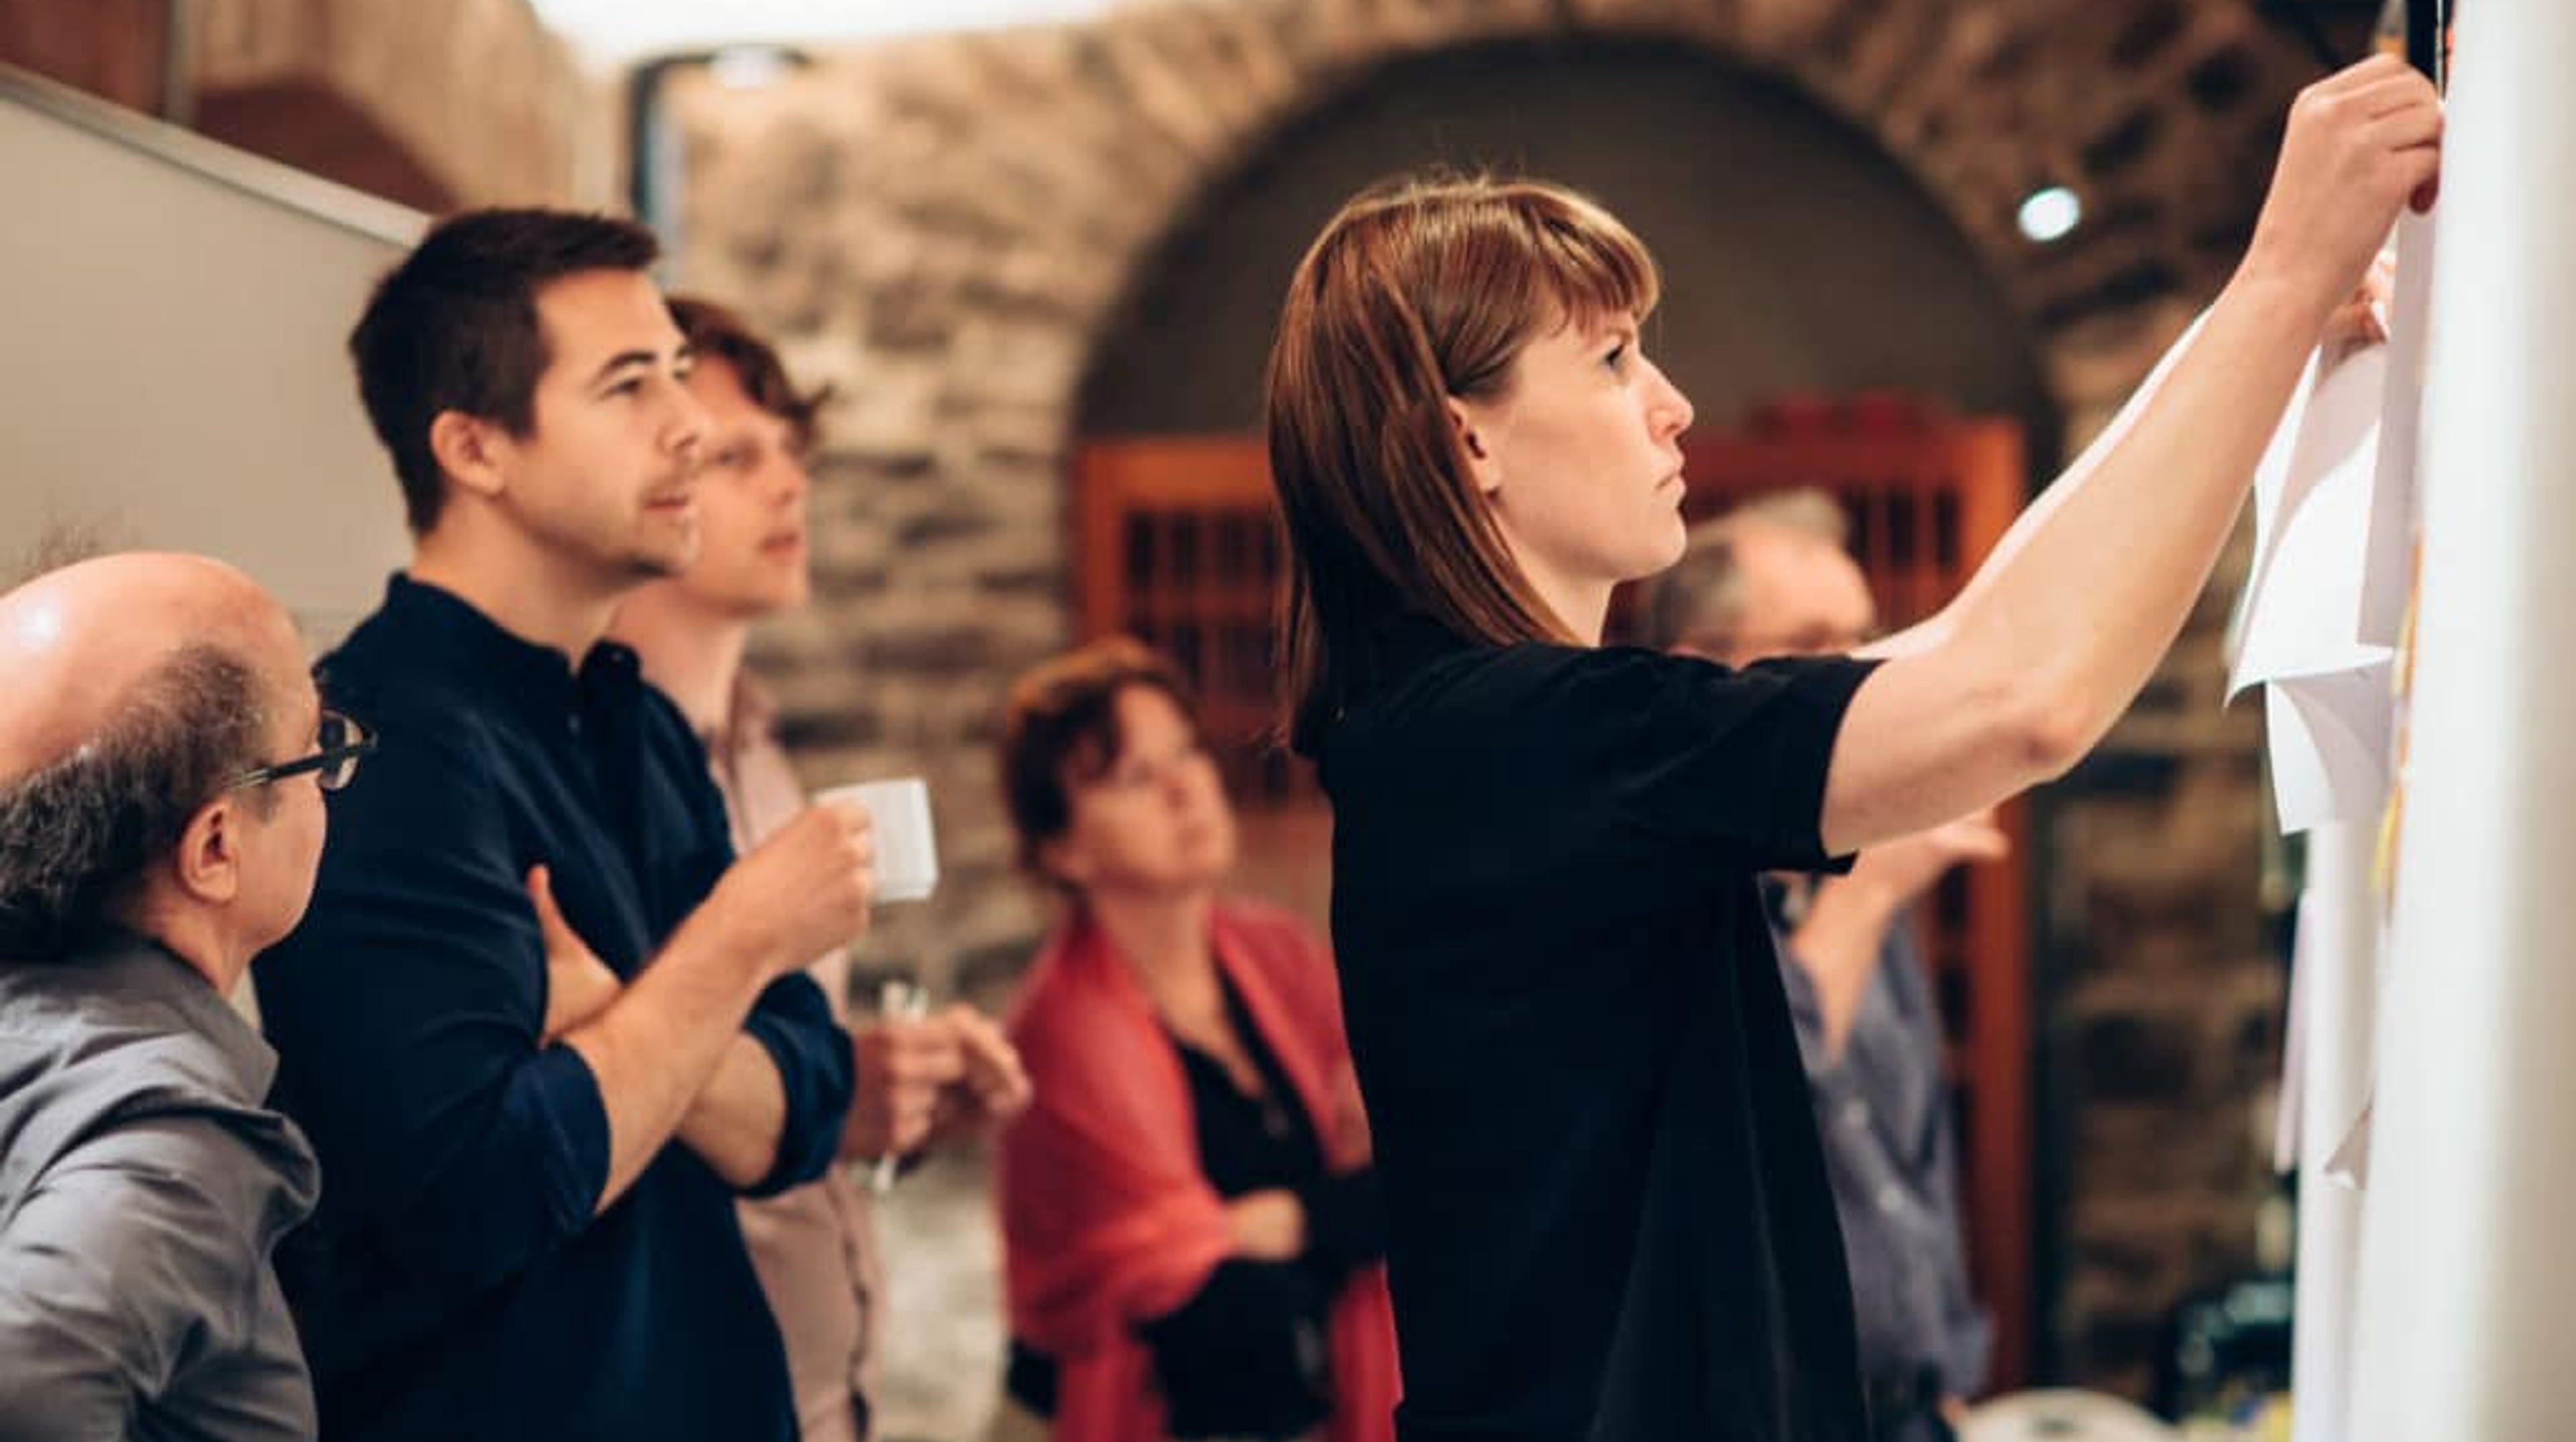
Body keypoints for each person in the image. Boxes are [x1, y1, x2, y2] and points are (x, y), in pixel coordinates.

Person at [1260, 55, 2438, 1442]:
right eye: (1615, 357)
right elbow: (2023, 699)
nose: (1673, 403)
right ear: (1466, 440)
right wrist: (2283, 276)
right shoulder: (1502, 744)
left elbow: (1957, 644)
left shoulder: (1487, 739)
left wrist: (2251, 334)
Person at [253, 209, 873, 1441]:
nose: (690, 423)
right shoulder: (373, 747)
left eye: (678, 376)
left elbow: (804, 1107)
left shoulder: (627, 721)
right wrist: (737, 943)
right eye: (630, 384)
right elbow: (476, 1198)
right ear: (476, 448)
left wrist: (622, 1021)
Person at [610, 294, 1033, 1442]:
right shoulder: (596, 772)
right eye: (740, 456)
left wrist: (886, 1086)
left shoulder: (758, 741)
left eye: (794, 453)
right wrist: (844, 1092)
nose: (791, 486)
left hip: (821, 1377)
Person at [1643, 491, 2008, 1442]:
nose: (1858, 678)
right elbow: (1739, 1118)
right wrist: (1870, 895)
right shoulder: (1654, 884)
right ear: (1701, 674)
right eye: (1815, 642)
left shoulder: (1852, 864)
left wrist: (1947, 1371)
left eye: (1867, 639)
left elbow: (1911, 1151)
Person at [990, 639, 1398, 1442]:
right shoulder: (1063, 1030)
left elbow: (1406, 1174)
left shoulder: (1278, 955)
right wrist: (1326, 1216)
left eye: (1187, 752)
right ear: (1063, 849)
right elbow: (1180, 1277)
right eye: (1137, 777)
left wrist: (1281, 1219)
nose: (1186, 788)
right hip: (1125, 1409)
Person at [0, 553, 365, 1438]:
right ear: (214, 848)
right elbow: (23, 1381)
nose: (329, 774)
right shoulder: (166, 1127)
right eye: (315, 750)